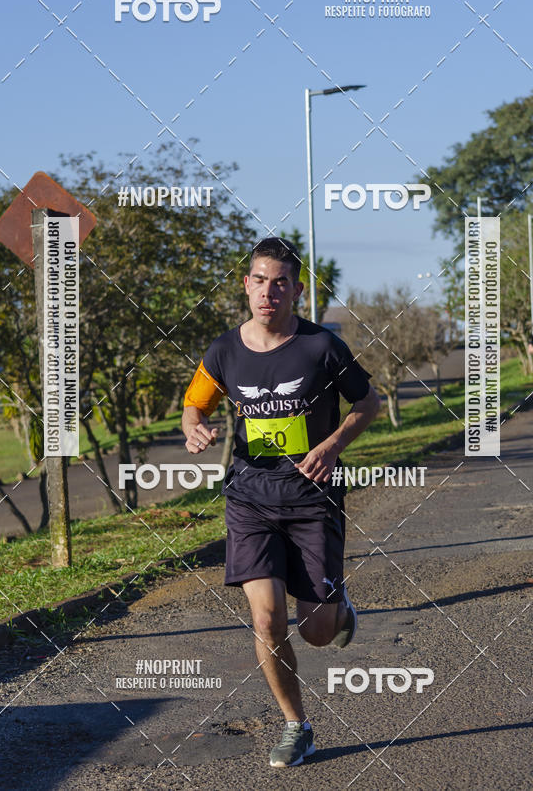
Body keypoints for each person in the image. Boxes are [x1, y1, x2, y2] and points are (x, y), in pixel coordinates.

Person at [181, 237, 379, 767]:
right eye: (260, 280)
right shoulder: (223, 351)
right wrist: (195, 426)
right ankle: (298, 726)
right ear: (246, 284)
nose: (269, 291)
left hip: (312, 500)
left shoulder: (321, 348)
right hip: (249, 498)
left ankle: (336, 615)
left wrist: (332, 445)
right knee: (267, 621)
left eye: (281, 282)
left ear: (296, 289)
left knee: (315, 633)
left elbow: (368, 401)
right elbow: (193, 405)